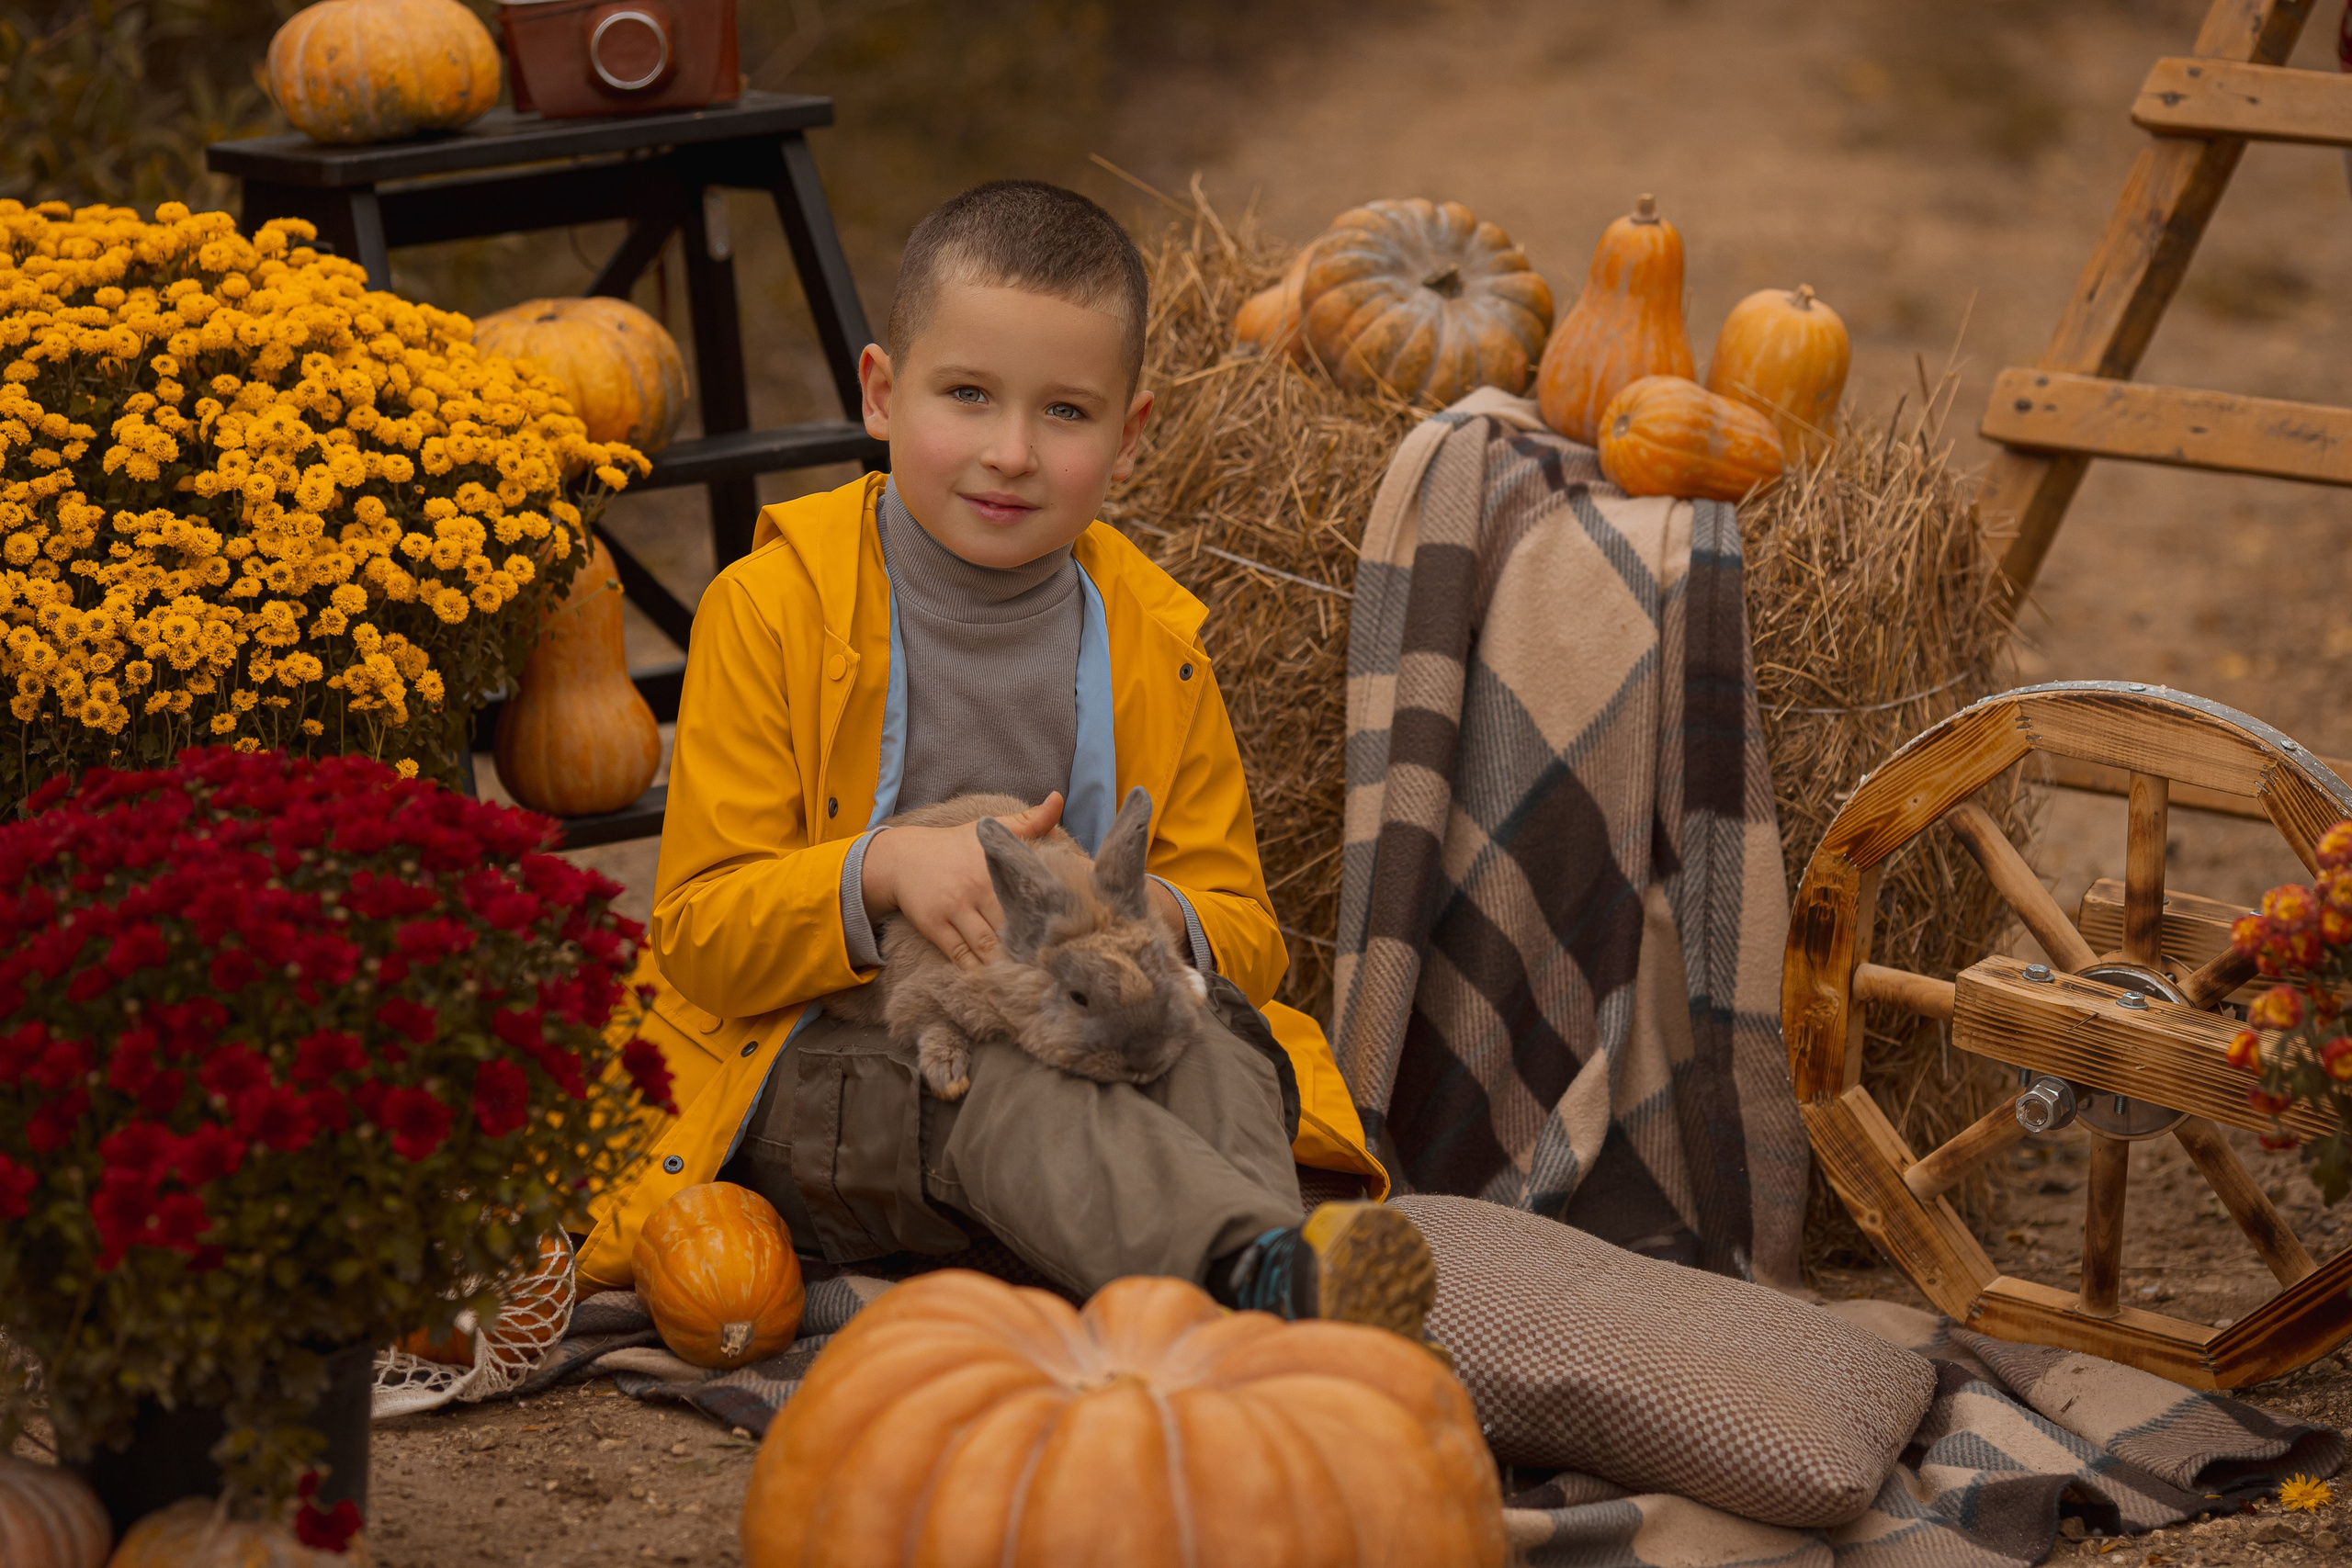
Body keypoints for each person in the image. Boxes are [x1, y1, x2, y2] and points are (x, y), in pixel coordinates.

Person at [574, 181, 1433, 1335]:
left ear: (1128, 440)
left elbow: (1247, 934)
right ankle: (1248, 1293)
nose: (1011, 453)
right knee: (1023, 1082)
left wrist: (1140, 919)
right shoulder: (772, 611)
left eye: (1066, 413)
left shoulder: (1153, 643)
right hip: (845, 1069)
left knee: (1215, 1042)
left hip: (1086, 1013)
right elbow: (701, 935)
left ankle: (1276, 1282)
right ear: (881, 393)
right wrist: (884, 870)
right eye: (968, 395)